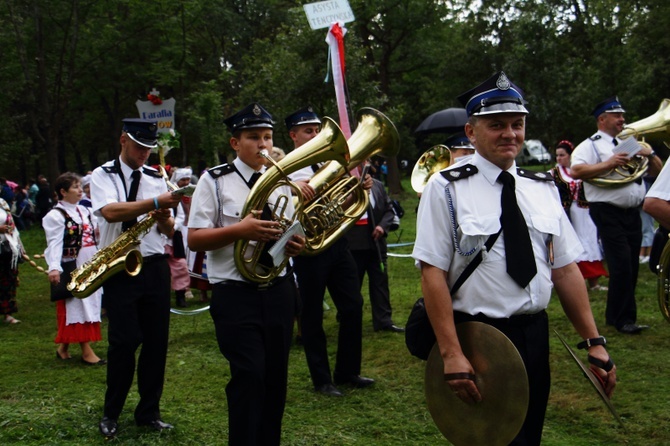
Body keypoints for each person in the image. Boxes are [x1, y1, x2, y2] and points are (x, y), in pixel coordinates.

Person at [412, 71, 616, 445]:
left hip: (534, 333)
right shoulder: (445, 188)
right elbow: (432, 273)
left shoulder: (543, 187)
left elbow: (566, 269)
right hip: (478, 334)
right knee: (485, 437)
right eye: (497, 125)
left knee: (529, 433)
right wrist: (451, 354)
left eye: (517, 124)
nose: (510, 133)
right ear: (471, 132)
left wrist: (594, 341)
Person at [187, 103, 305, 446]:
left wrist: (295, 243)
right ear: (235, 143)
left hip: (279, 289)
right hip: (236, 293)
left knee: (275, 379)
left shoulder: (282, 179)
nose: (263, 144)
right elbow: (194, 238)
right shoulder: (215, 180)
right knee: (249, 375)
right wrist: (242, 229)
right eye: (254, 137)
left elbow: (291, 230)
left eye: (267, 137)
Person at [91, 118, 182, 438]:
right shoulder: (102, 174)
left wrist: (166, 219)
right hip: (119, 265)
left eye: (149, 148)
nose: (145, 154)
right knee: (123, 341)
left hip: (154, 264)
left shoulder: (157, 177)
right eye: (139, 147)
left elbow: (170, 231)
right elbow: (111, 212)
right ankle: (111, 412)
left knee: (156, 343)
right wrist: (156, 202)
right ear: (123, 141)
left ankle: (149, 412)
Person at [285, 105, 375, 398]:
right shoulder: (286, 168)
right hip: (307, 248)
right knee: (311, 314)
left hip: (336, 244)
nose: (315, 134)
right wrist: (291, 187)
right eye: (309, 131)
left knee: (353, 305)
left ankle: (348, 371)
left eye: (317, 130)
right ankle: (321, 378)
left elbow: (343, 203)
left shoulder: (330, 163)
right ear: (293, 136)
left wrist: (360, 189)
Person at [570, 96, 662, 334]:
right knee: (621, 264)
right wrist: (609, 163)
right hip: (607, 210)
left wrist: (649, 154)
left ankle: (620, 316)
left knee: (630, 263)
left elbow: (657, 171)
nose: (623, 119)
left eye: (622, 115)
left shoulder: (627, 142)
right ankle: (623, 319)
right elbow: (577, 170)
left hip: (632, 211)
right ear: (602, 119)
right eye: (617, 115)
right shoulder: (590, 145)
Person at [43, 172, 105, 364]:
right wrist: (54, 267)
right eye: (75, 187)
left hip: (91, 259)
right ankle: (86, 352)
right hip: (72, 263)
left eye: (80, 186)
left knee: (91, 300)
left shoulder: (85, 211)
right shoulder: (55, 215)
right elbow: (54, 243)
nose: (80, 190)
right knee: (77, 304)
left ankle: (63, 348)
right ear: (63, 191)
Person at [345, 176, 404, 332]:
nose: (363, 164)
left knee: (380, 281)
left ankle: (383, 320)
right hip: (354, 244)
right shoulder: (343, 185)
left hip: (376, 243)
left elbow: (389, 209)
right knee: (353, 284)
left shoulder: (377, 185)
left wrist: (382, 227)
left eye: (365, 160)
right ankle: (347, 316)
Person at [550, 140, 609, 291]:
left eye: (562, 155)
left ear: (571, 156)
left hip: (586, 211)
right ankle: (574, 282)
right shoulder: (555, 173)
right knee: (572, 242)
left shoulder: (584, 170)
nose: (559, 158)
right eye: (557, 156)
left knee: (590, 241)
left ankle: (593, 281)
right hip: (567, 213)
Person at [165, 167, 193, 308]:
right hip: (160, 238)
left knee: (180, 265)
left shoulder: (175, 197)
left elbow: (181, 215)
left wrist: (173, 227)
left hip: (174, 236)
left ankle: (180, 295)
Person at [0, 197, 22, 324]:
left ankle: (7, 312)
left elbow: (11, 222)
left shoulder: (2, 202)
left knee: (8, 280)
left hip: (7, 247)